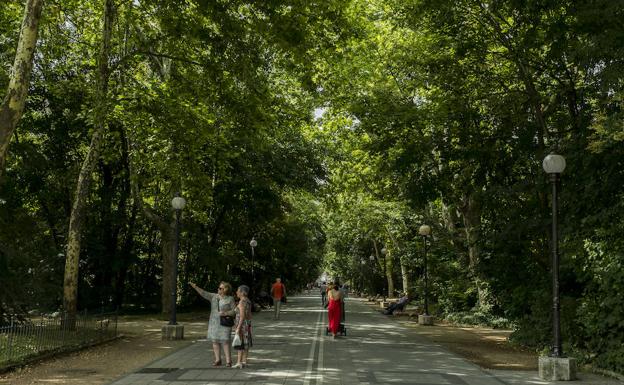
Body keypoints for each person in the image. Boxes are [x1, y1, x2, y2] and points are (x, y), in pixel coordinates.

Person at [190, 281, 236, 367]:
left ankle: (228, 361)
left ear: (226, 290)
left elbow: (234, 311)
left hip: (225, 323)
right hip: (214, 323)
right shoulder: (213, 296)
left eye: (220, 288)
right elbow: (203, 293)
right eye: (219, 288)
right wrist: (195, 287)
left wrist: (226, 313)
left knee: (225, 341)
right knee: (215, 341)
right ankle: (218, 360)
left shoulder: (230, 299)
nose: (218, 289)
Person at [233, 285, 253, 368]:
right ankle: (244, 361)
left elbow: (242, 316)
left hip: (241, 325)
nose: (236, 292)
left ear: (242, 292)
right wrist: (249, 325)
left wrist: (238, 327)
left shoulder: (241, 302)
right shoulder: (248, 301)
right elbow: (249, 315)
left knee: (240, 344)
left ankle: (239, 362)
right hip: (247, 325)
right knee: (245, 344)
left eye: (238, 291)